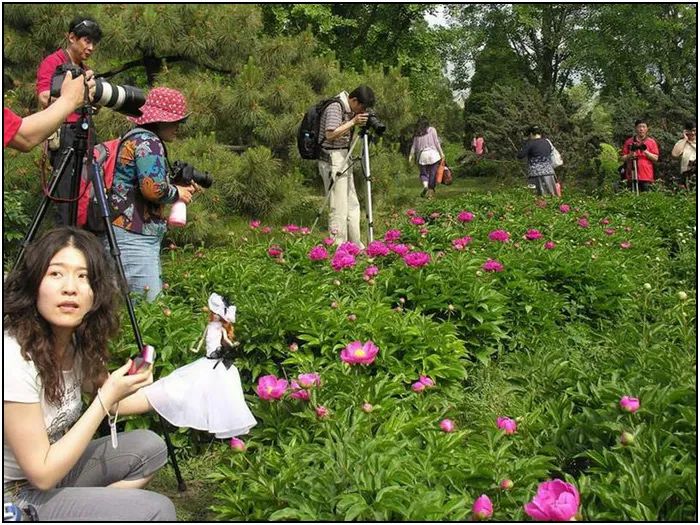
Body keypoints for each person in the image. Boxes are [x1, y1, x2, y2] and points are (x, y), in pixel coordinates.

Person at [3, 227, 176, 521]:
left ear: (96, 292)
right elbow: (42, 475)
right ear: (34, 284)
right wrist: (106, 397)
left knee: (150, 447)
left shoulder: (74, 341)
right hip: (14, 492)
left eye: (83, 276)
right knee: (158, 509)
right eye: (56, 274)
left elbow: (118, 401)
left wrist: (183, 389)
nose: (70, 287)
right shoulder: (13, 356)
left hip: (57, 471)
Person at [108, 87, 195, 301]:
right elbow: (153, 189)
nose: (178, 127)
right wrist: (178, 193)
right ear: (161, 120)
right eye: (176, 121)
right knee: (148, 308)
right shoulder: (149, 142)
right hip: (133, 235)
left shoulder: (133, 137)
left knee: (124, 307)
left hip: (122, 231)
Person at [143, 293, 257, 439]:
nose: (214, 316)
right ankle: (198, 421)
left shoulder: (221, 328)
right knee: (191, 385)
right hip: (208, 359)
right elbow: (202, 339)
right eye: (213, 313)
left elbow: (226, 340)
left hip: (217, 361)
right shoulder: (209, 326)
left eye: (217, 314)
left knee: (221, 392)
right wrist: (196, 349)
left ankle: (220, 422)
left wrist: (232, 345)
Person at [36, 16, 103, 225]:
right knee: (65, 196)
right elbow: (43, 96)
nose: (90, 47)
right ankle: (64, 238)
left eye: (94, 43)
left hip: (85, 132)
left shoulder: (84, 68)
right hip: (64, 133)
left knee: (86, 193)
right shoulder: (54, 62)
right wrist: (74, 98)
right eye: (86, 41)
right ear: (71, 37)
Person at [318, 85, 375, 249]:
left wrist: (355, 122)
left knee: (352, 205)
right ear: (354, 100)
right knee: (339, 207)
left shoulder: (349, 109)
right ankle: (339, 248)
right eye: (361, 107)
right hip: (332, 158)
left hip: (343, 155)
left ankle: (355, 245)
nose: (361, 111)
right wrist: (352, 122)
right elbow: (330, 134)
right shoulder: (335, 106)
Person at [4, 71, 95, 152]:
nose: (91, 50)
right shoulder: (53, 61)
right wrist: (70, 98)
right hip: (63, 133)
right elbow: (24, 137)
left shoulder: (83, 66)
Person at [408, 116, 445, 199]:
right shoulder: (432, 130)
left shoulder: (417, 133)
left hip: (422, 156)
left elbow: (413, 147)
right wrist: (441, 153)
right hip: (434, 155)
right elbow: (437, 142)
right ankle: (430, 193)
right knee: (432, 174)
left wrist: (410, 156)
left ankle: (425, 186)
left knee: (423, 174)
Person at [619, 118, 659, 193]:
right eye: (639, 127)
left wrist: (645, 152)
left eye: (644, 127)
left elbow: (656, 158)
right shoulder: (629, 142)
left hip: (646, 176)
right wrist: (630, 155)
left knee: (646, 197)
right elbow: (622, 158)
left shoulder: (651, 142)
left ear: (647, 129)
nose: (641, 129)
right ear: (635, 128)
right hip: (631, 175)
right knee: (631, 196)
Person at [517, 125, 558, 196]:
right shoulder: (547, 142)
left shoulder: (530, 143)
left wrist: (524, 144)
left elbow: (520, 155)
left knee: (537, 197)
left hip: (536, 173)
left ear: (531, 134)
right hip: (549, 172)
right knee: (551, 195)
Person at [670, 120, 696, 190]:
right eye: (690, 131)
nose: (693, 133)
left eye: (694, 130)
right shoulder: (682, 143)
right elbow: (675, 154)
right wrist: (685, 139)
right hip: (687, 174)